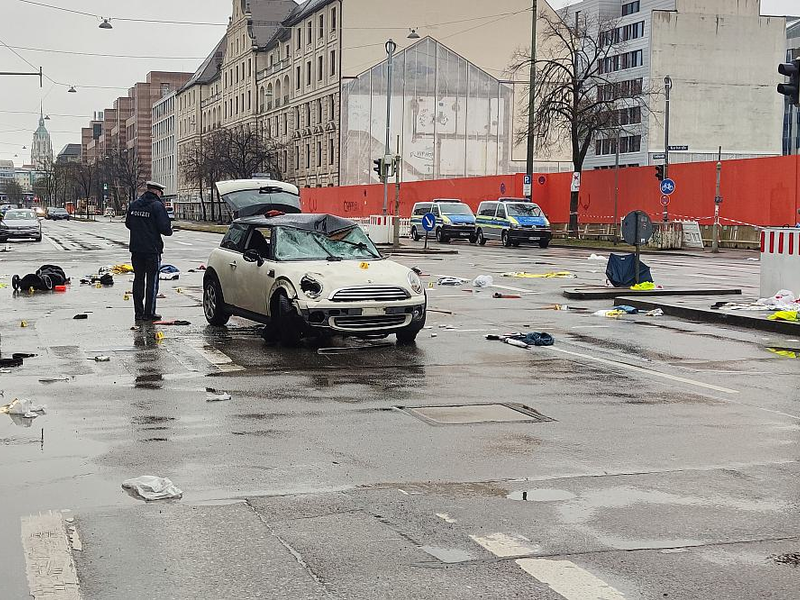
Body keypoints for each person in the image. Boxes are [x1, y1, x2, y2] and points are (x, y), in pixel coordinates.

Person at [125, 181, 172, 321]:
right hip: (152, 250)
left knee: (138, 279)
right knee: (152, 281)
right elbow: (165, 229)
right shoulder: (157, 206)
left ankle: (138, 312)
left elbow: (128, 224)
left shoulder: (134, 204)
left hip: (136, 249)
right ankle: (149, 313)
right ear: (157, 192)